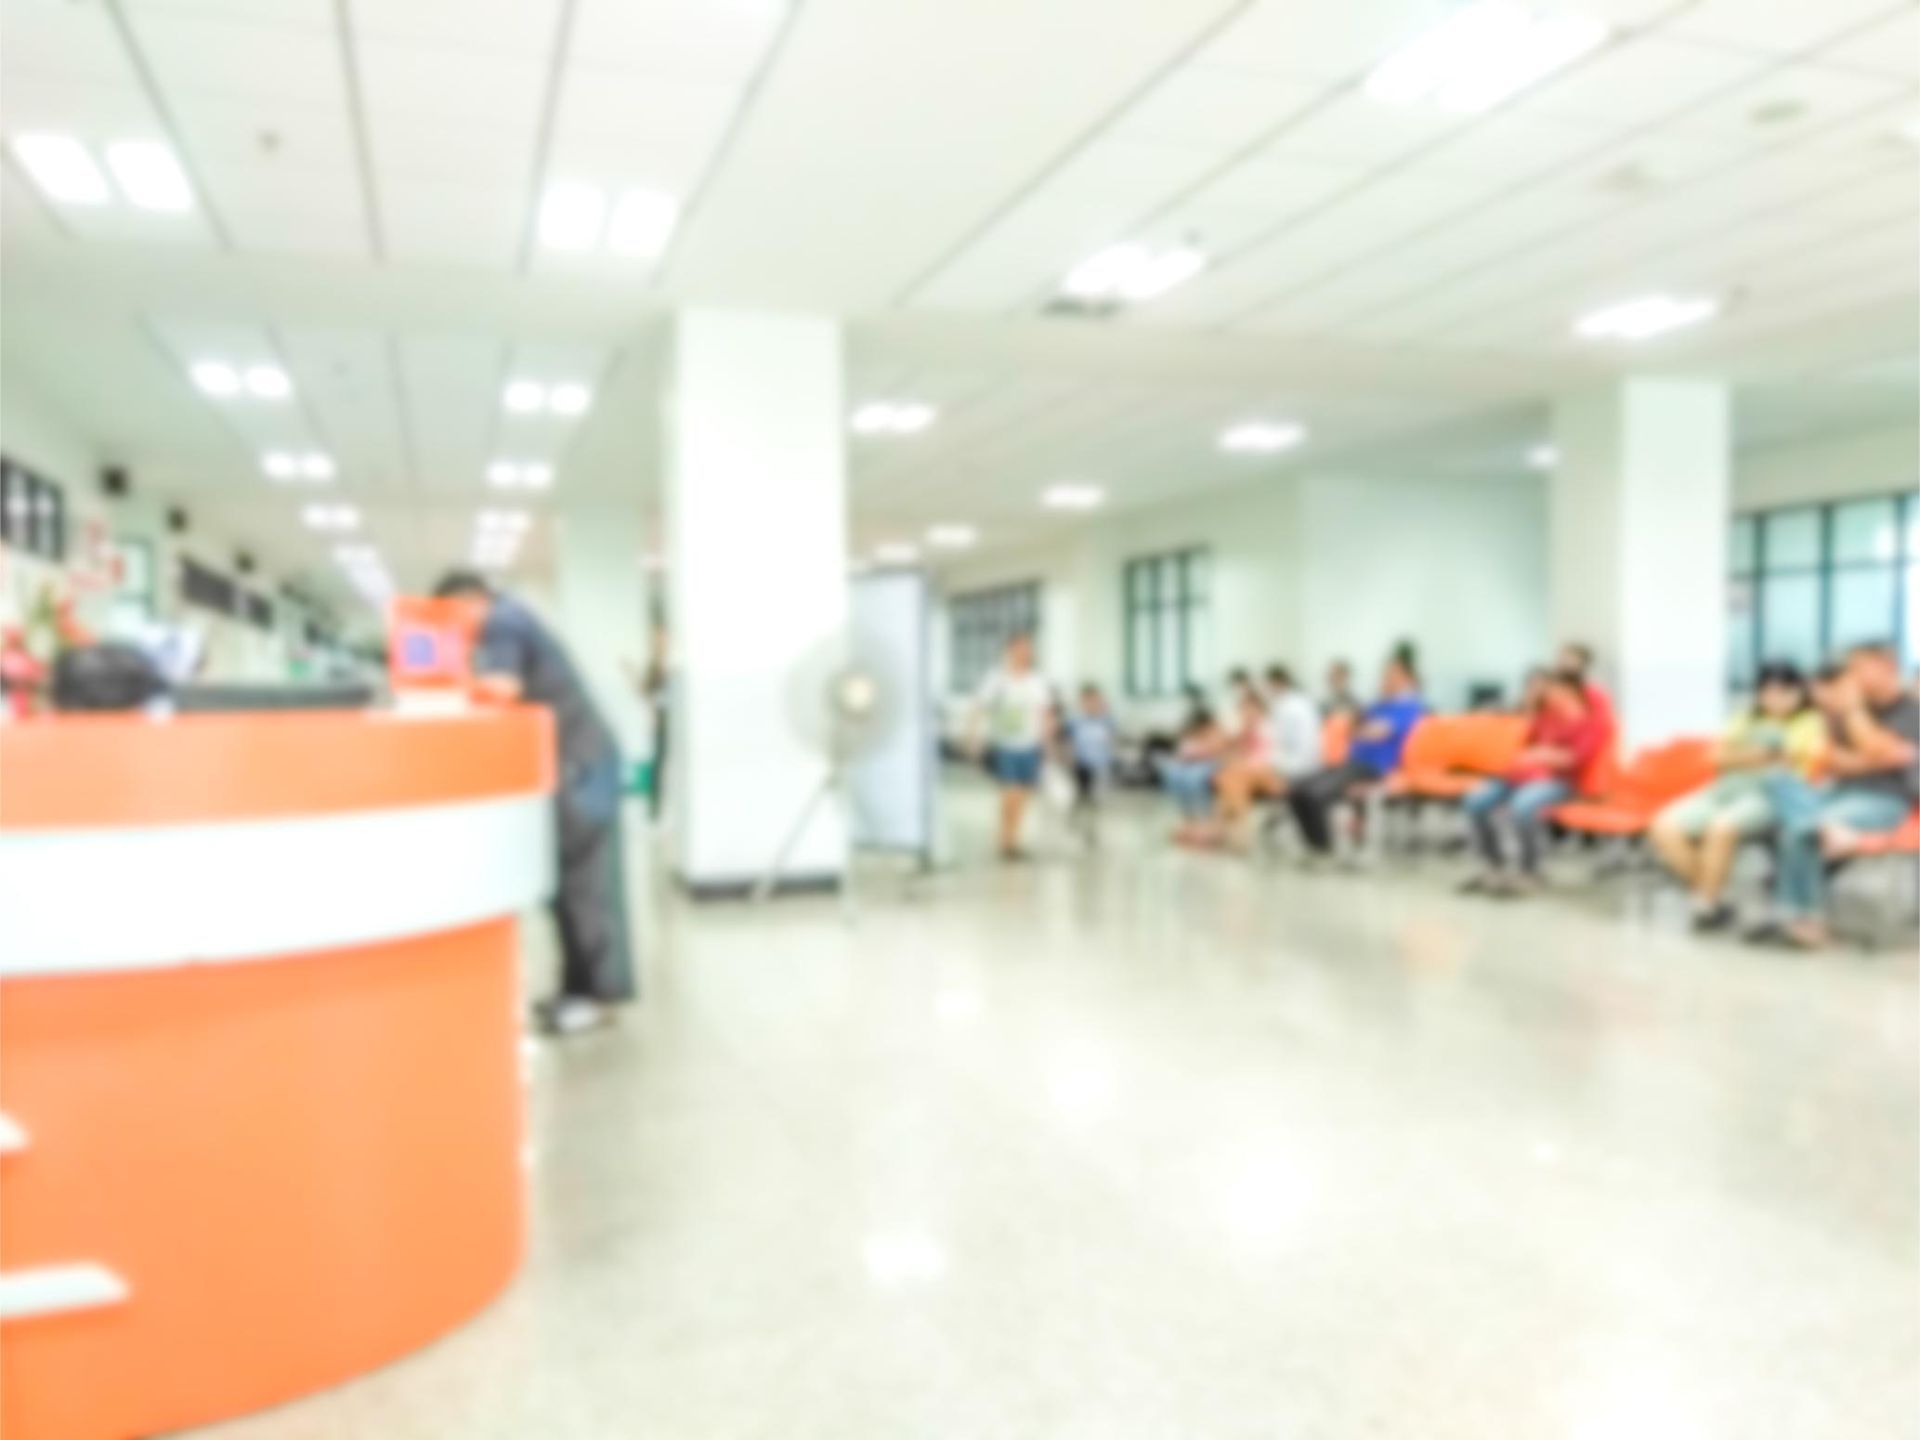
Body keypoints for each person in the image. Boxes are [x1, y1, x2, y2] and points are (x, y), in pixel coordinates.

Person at [434, 571, 635, 1036]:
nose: (455, 629)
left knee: (584, 886)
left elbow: (501, 688)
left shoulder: (503, 621)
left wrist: (445, 684)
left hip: (579, 766)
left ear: (471, 601)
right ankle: (576, 992)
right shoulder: (508, 620)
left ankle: (596, 998)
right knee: (565, 886)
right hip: (574, 763)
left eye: (453, 617)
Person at [1749, 641, 1919, 950]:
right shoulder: (1846, 711)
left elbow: (1877, 751)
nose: (1850, 675)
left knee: (1798, 830)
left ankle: (1804, 920)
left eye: (1858, 667)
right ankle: (1820, 826)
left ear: (1886, 666)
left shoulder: (1910, 711)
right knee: (1777, 780)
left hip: (1883, 800)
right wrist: (1876, 756)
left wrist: (1855, 714)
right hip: (1837, 792)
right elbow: (1830, 758)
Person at [1648, 661, 1825, 931]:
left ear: (1799, 692)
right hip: (1725, 789)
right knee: (1663, 826)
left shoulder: (1811, 722)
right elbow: (1714, 757)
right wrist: (1758, 756)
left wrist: (1738, 756)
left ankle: (1706, 906)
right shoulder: (1746, 717)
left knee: (1722, 827)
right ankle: (1712, 893)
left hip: (1772, 793)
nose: (1775, 698)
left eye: (1783, 691)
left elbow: (1785, 760)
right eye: (1768, 690)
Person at [1460, 669, 1605, 896]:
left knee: (1523, 806)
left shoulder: (1592, 722)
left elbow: (1574, 759)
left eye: (1553, 690)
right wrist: (1533, 752)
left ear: (1571, 692)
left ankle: (1530, 871)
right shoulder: (1545, 716)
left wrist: (1543, 755)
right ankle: (1494, 866)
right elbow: (1527, 746)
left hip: (1561, 781)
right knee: (1475, 801)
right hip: (1521, 776)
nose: (1548, 695)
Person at [1287, 648, 1427, 862]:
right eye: (1385, 674)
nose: (1386, 679)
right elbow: (1355, 726)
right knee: (1296, 790)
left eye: (1392, 675)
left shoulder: (1410, 707)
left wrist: (1363, 729)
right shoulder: (1379, 705)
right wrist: (1362, 727)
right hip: (1351, 763)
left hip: (1375, 768)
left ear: (1407, 679)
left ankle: (1323, 850)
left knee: (1317, 794)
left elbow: (1376, 731)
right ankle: (1314, 846)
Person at [970, 633, 1054, 861]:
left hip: (1029, 745)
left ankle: (1013, 839)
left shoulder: (1036, 681)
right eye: (1021, 649)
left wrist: (1047, 743)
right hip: (1004, 744)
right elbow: (980, 707)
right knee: (1010, 793)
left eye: (1028, 649)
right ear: (1010, 651)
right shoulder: (996, 679)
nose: (1026, 653)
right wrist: (973, 737)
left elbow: (1045, 712)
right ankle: (1005, 839)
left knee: (1023, 795)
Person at [1160, 701, 1231, 844]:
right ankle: (1188, 818)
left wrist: (1199, 752)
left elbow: (1217, 750)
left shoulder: (1216, 731)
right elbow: (1183, 751)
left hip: (1214, 764)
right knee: (1174, 774)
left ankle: (1203, 821)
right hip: (1194, 764)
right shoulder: (1192, 733)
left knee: (1194, 778)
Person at [1062, 683, 1118, 841]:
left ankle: (1091, 827)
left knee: (1095, 796)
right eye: (1088, 701)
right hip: (1080, 763)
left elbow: (1111, 738)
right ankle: (1075, 814)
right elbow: (1068, 741)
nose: (1092, 704)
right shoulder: (1075, 721)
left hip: (1100, 764)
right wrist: (1068, 757)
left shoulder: (1107, 720)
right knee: (1081, 793)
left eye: (1095, 700)